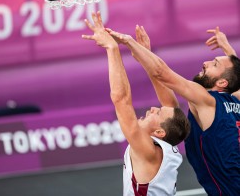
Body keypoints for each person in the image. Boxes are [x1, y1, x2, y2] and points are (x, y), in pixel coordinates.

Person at [107, 24, 240, 195]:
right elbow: (235, 76)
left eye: (214, 64)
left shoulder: (207, 101)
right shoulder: (235, 98)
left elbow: (162, 73)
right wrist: (227, 49)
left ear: (222, 83)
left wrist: (129, 42)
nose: (206, 63)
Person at [82, 12, 190, 196]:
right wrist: (145, 53)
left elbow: (121, 100)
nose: (153, 108)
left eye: (157, 113)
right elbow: (170, 105)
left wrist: (112, 48)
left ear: (159, 132)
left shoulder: (148, 150)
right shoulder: (166, 144)